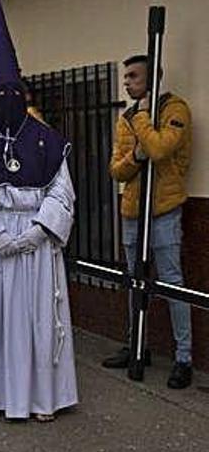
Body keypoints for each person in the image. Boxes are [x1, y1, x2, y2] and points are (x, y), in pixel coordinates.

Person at [0, 0, 77, 422]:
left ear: (22, 93)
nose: (7, 98)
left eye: (13, 91)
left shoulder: (47, 138)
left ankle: (42, 397)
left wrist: (39, 230)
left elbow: (62, 191)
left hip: (34, 242)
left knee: (38, 319)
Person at [103, 54, 193, 389]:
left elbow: (160, 149)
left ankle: (184, 358)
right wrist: (136, 154)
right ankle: (137, 343)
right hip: (132, 211)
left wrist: (141, 122)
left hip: (164, 210)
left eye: (133, 76)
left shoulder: (174, 109)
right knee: (134, 282)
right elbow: (117, 169)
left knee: (171, 282)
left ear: (153, 77)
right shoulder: (126, 118)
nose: (127, 82)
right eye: (125, 77)